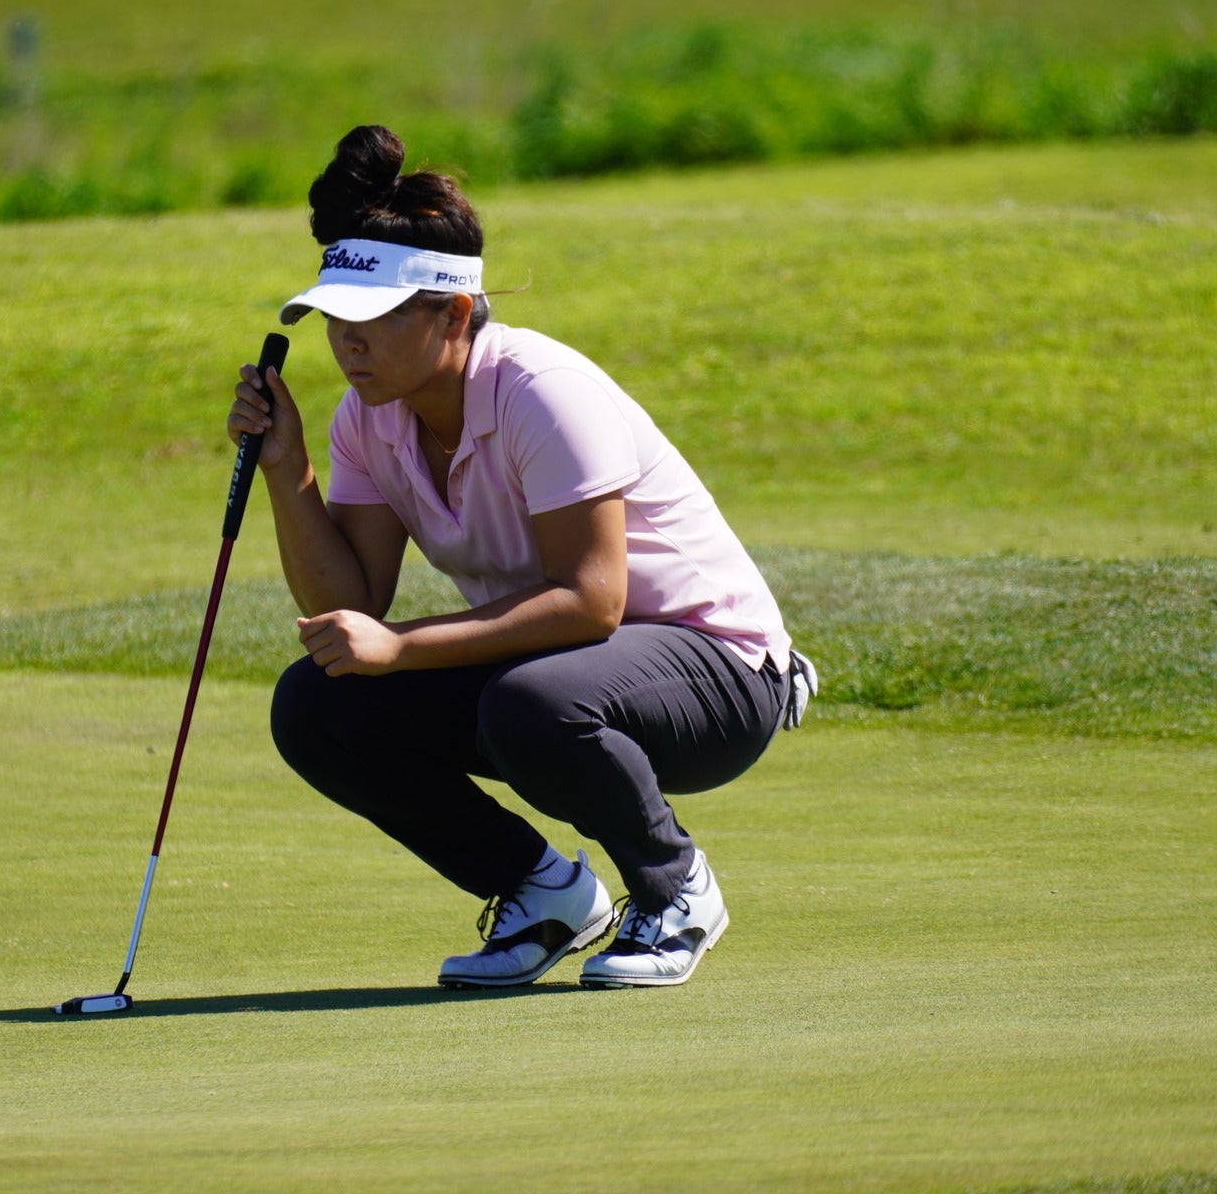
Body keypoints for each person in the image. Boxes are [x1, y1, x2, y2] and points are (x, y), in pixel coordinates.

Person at [227, 125, 816, 990]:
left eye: (374, 319)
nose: (346, 343)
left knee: (529, 701)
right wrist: (291, 472)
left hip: (720, 674)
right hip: (561, 675)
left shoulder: (542, 391)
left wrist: (403, 649)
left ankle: (675, 889)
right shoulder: (368, 417)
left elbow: (590, 605)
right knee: (318, 703)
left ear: (455, 312)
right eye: (332, 321)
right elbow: (351, 601)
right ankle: (541, 893)